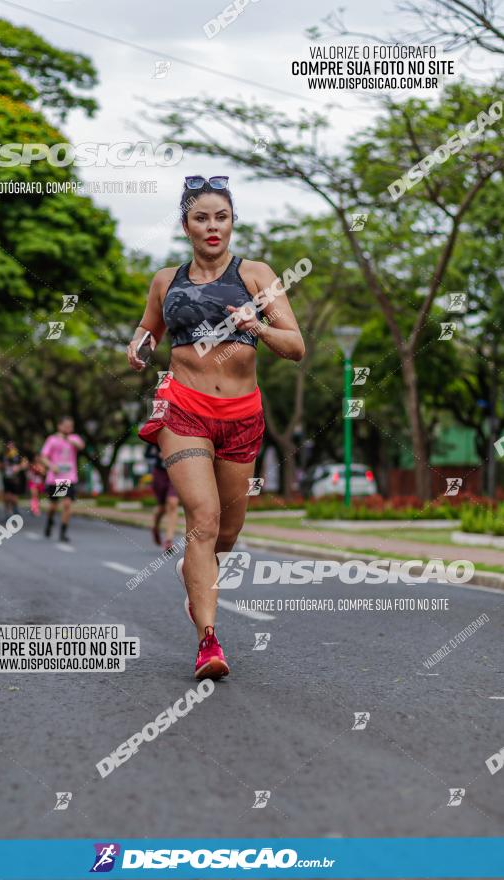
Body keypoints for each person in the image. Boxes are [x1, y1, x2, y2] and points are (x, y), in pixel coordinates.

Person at [128, 175, 304, 680]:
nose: (212, 226)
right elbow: (148, 329)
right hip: (183, 408)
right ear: (185, 224)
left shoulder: (255, 275)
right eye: (201, 217)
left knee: (226, 532)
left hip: (242, 414)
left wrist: (257, 326)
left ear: (232, 222)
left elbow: (296, 347)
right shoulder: (166, 280)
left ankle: (194, 571)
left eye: (220, 217)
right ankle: (208, 641)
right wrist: (138, 347)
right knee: (202, 519)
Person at [40, 416, 85, 542]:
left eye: (71, 426)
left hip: (68, 477)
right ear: (59, 426)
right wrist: (51, 466)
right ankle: (49, 521)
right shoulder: (52, 439)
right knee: (53, 506)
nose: (69, 428)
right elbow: (43, 457)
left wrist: (68, 440)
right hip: (55, 478)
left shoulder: (73, 438)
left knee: (67, 504)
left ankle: (63, 532)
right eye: (66, 426)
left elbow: (81, 446)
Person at [144, 443, 179, 552]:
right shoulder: (155, 438)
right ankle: (155, 527)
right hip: (160, 473)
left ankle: (168, 540)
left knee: (173, 503)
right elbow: (147, 455)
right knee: (162, 508)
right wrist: (158, 455)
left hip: (175, 472)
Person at [0, 440, 27, 517]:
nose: (10, 447)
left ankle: (15, 508)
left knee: (14, 497)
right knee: (6, 496)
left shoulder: (18, 455)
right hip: (5, 477)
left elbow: (25, 463)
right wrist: (2, 466)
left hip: (15, 478)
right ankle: (7, 512)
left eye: (12, 446)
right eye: (8, 445)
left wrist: (18, 467)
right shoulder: (3, 455)